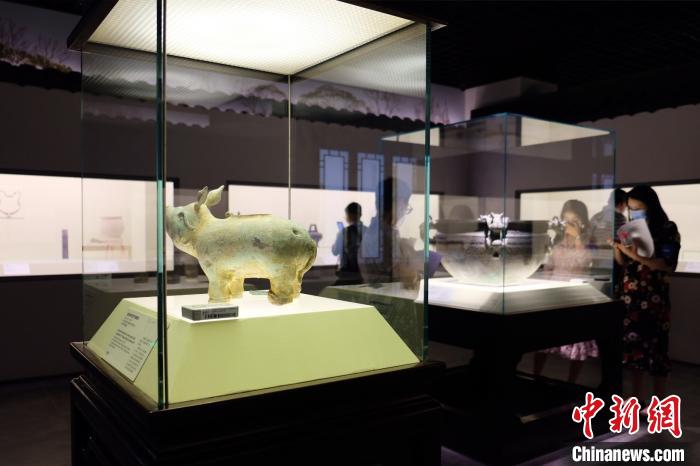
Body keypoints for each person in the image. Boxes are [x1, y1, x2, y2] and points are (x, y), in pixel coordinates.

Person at [614, 185, 680, 402]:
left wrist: (634, 255)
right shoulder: (629, 228)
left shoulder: (667, 228)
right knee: (634, 352)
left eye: (638, 208)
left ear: (651, 206)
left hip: (654, 298)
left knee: (657, 350)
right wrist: (617, 248)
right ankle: (636, 399)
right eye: (631, 209)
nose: (634, 213)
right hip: (630, 296)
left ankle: (659, 404)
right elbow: (623, 263)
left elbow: (666, 264)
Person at [534, 200, 596, 383]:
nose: (569, 224)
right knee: (543, 340)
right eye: (566, 220)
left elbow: (584, 264)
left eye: (574, 220)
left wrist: (577, 239)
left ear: (582, 221)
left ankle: (572, 384)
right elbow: (548, 267)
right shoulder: (557, 240)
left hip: (575, 294)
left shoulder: (589, 241)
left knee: (576, 341)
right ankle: (535, 377)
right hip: (554, 292)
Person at [590, 188, 628, 296]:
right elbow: (623, 242)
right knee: (611, 296)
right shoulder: (621, 218)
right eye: (626, 206)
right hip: (612, 263)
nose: (625, 209)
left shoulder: (596, 217)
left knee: (596, 295)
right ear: (621, 204)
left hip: (596, 262)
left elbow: (589, 239)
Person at [331, 202, 365, 284]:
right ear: (360, 214)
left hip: (347, 273)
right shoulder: (367, 231)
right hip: (363, 273)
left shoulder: (344, 232)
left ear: (349, 215)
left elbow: (335, 251)